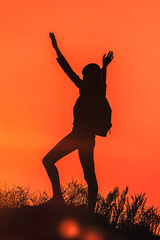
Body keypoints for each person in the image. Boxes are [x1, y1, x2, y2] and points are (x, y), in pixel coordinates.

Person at [42, 32, 113, 212]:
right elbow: (101, 84)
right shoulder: (97, 92)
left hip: (80, 136)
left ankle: (60, 199)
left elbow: (68, 70)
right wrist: (104, 68)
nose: (81, 77)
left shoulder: (87, 90)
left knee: (49, 161)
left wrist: (56, 48)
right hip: (86, 138)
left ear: (88, 77)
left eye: (84, 75)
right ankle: (87, 210)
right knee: (89, 176)